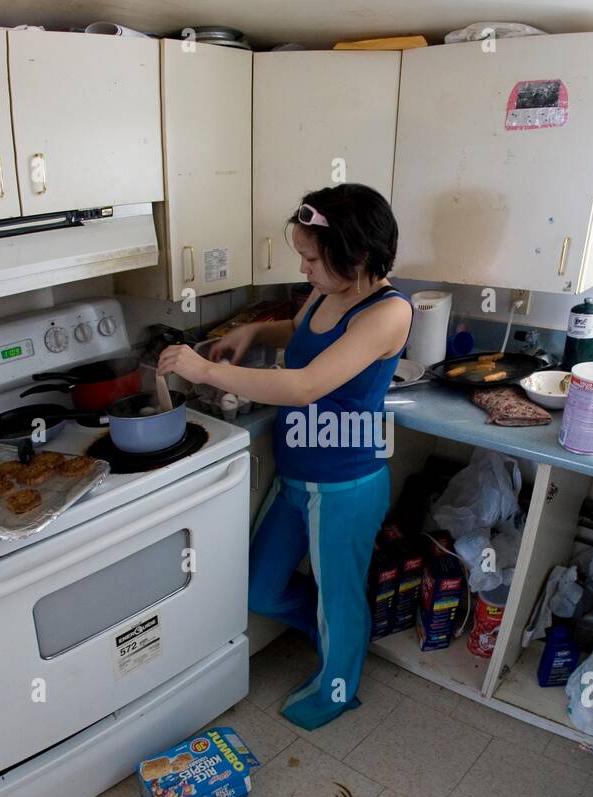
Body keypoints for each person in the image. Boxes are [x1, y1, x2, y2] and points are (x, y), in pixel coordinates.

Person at [158, 183, 413, 730]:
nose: (304, 269)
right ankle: (339, 629)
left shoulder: (387, 313)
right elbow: (298, 332)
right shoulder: (326, 291)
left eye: (312, 259)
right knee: (260, 588)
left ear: (360, 257)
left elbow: (304, 386)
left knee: (339, 599)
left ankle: (338, 685)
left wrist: (206, 371)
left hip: (345, 482)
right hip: (299, 473)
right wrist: (252, 331)